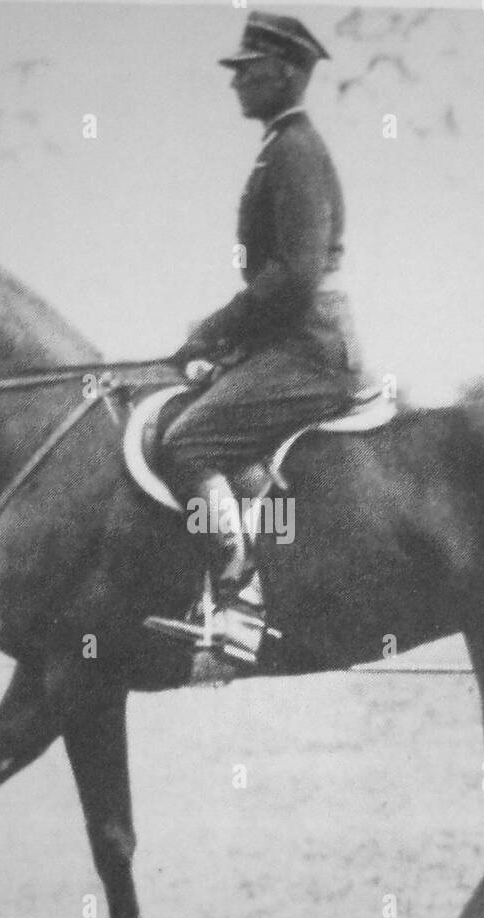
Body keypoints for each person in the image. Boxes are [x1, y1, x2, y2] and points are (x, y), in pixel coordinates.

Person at [158, 10, 373, 663]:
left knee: (187, 441)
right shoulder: (281, 147)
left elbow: (296, 275)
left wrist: (213, 331)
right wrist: (220, 348)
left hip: (310, 351)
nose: (235, 84)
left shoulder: (296, 151)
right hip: (289, 345)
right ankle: (275, 551)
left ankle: (242, 602)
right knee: (215, 430)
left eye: (247, 71)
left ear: (283, 72)